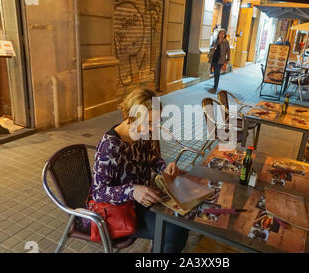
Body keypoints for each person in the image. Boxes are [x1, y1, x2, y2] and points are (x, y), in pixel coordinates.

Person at [84, 89, 188, 253]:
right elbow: (99, 192)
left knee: (182, 224)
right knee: (172, 232)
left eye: (156, 122)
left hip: (142, 201)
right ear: (130, 118)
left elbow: (151, 158)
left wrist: (164, 167)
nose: (153, 129)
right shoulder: (110, 146)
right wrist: (132, 191)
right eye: (148, 123)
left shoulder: (143, 134)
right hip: (119, 210)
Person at [208, 28, 230, 93]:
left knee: (217, 73)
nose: (221, 35)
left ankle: (215, 87)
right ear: (218, 34)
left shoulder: (226, 42)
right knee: (215, 73)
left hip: (221, 60)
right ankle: (215, 85)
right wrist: (212, 48)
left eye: (223, 33)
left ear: (224, 35)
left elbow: (228, 51)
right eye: (220, 33)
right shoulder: (215, 40)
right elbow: (210, 47)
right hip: (214, 58)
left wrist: (228, 59)